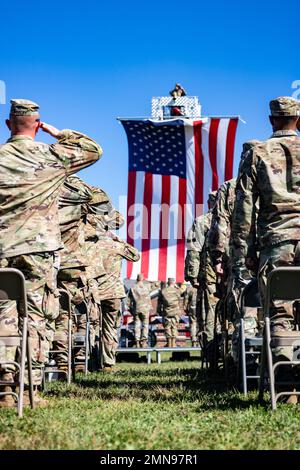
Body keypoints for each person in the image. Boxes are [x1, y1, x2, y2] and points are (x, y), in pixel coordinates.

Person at [0, 99, 102, 407]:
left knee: (3, 315)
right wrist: (59, 134)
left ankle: (4, 387)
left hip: (2, 248)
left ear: (8, 125)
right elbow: (93, 149)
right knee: (36, 316)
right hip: (38, 251)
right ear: (38, 124)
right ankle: (28, 389)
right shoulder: (51, 156)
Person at [231, 96, 300, 402]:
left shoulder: (256, 151)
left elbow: (244, 208)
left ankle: (286, 387)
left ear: (272, 120)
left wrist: (242, 251)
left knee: (279, 313)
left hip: (276, 242)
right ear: (298, 119)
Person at [85, 214, 140, 372]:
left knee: (93, 327)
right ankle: (108, 364)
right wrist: (118, 240)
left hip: (94, 294)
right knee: (109, 328)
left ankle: (92, 361)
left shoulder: (90, 246)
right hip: (113, 293)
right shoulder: (115, 245)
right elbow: (135, 255)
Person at [127, 274, 152, 348]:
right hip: (145, 309)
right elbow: (156, 285)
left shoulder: (133, 287)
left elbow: (128, 301)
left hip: (136, 309)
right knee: (145, 325)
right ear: (142, 279)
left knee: (137, 325)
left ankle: (137, 342)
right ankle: (144, 342)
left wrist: (130, 309)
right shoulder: (147, 286)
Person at [157, 278, 182, 347]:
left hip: (166, 312)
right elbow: (180, 300)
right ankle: (173, 343)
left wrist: (158, 311)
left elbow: (159, 303)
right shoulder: (177, 291)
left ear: (168, 282)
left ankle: (169, 343)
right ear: (174, 282)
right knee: (174, 326)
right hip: (175, 311)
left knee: (167, 326)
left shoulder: (163, 291)